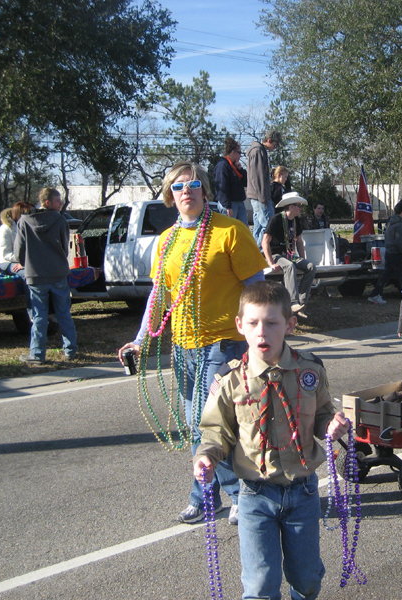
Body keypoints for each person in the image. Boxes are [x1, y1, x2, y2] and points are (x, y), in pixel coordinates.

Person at [118, 161, 267, 527]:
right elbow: (160, 296)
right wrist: (140, 341)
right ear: (170, 196)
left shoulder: (229, 231)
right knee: (190, 424)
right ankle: (206, 494)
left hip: (223, 343)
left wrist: (262, 333)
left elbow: (258, 287)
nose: (187, 191)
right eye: (179, 186)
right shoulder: (167, 240)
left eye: (194, 184)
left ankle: (233, 494)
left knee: (209, 422)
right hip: (183, 346)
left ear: (205, 192)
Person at [193, 280, 349, 600]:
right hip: (255, 495)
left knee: (306, 580)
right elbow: (214, 431)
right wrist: (207, 456)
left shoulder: (310, 370)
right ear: (240, 325)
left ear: (289, 324)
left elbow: (321, 413)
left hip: (302, 491)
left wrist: (332, 424)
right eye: (252, 323)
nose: (261, 332)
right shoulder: (230, 379)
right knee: (260, 585)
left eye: (271, 322)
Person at [14, 188, 78, 364]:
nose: (60, 203)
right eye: (58, 200)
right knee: (63, 312)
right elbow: (65, 248)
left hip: (35, 275)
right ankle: (70, 350)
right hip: (58, 273)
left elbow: (19, 251)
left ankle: (37, 354)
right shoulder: (59, 220)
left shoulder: (24, 221)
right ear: (47, 202)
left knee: (39, 315)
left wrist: (26, 262)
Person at [262, 192, 316, 313]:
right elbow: (265, 242)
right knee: (289, 266)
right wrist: (271, 263)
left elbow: (300, 242)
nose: (301, 209)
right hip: (276, 255)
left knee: (311, 266)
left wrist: (303, 259)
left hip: (290, 254)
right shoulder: (275, 219)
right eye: (299, 206)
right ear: (291, 206)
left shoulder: (296, 221)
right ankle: (292, 302)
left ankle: (302, 302)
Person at [368, 200, 402, 305]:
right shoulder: (401, 224)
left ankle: (375, 294)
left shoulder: (390, 221)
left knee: (386, 274)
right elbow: (399, 241)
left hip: (389, 252)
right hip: (397, 253)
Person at [247, 130, 282, 246]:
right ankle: (263, 251)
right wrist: (263, 198)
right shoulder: (258, 152)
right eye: (275, 145)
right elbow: (257, 177)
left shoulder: (260, 151)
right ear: (269, 141)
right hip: (260, 197)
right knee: (269, 226)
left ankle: (255, 251)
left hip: (259, 196)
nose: (275, 148)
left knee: (258, 227)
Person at [0, 201, 34, 277]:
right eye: (30, 213)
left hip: (27, 261)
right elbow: (5, 253)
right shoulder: (6, 229)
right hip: (7, 263)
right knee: (28, 274)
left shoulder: (31, 227)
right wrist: (24, 261)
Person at [213, 136, 248, 224]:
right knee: (230, 229)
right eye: (239, 153)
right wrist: (227, 206)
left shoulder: (235, 166)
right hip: (230, 204)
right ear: (233, 152)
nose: (240, 155)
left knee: (243, 230)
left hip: (239, 202)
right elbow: (221, 186)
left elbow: (246, 182)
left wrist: (240, 170)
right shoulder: (223, 165)